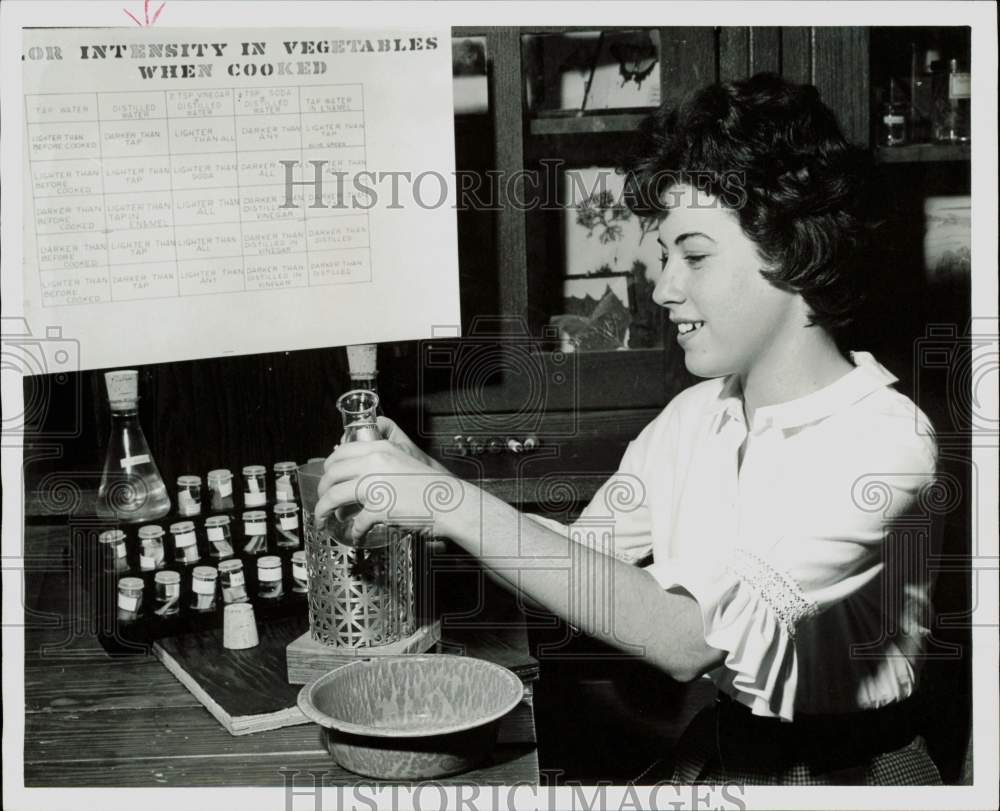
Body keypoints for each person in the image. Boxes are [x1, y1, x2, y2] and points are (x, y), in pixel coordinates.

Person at [316, 73, 941, 785]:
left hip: (853, 775)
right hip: (731, 750)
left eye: (694, 256)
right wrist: (434, 487)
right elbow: (580, 558)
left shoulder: (881, 444)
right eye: (665, 256)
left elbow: (683, 637)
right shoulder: (695, 417)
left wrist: (451, 505)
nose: (664, 285)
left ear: (794, 250)